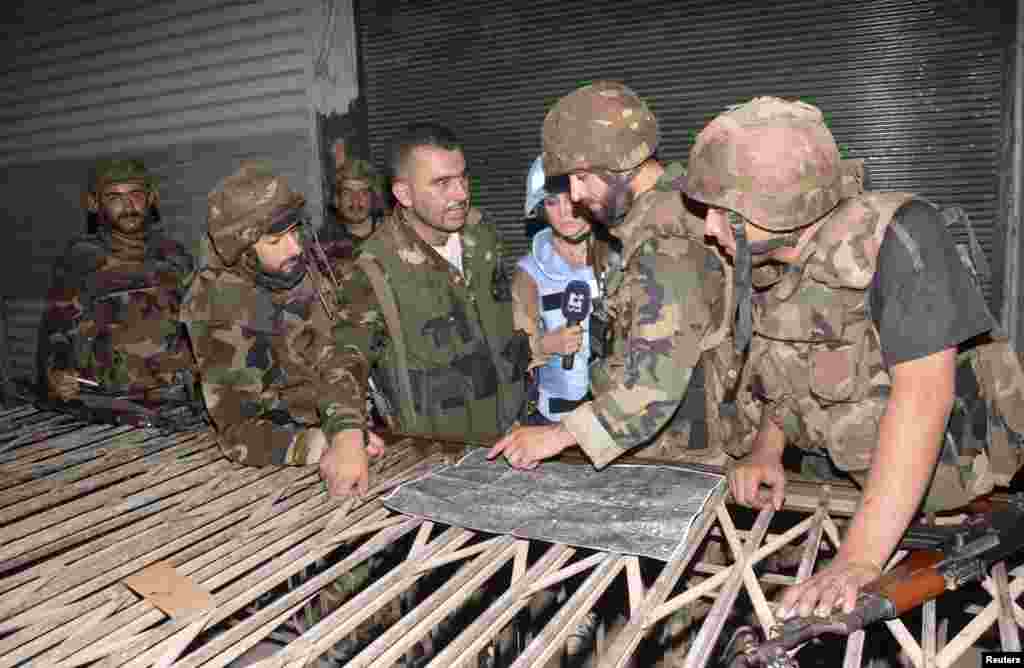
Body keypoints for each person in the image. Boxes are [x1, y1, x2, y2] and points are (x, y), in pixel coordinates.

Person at [680, 96, 1024, 620]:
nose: (708, 229)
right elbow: (784, 362)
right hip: (846, 486)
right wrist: (768, 449)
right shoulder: (767, 253)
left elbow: (923, 398)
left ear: (773, 211)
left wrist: (859, 560)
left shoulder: (904, 236)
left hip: (953, 496)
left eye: (722, 215)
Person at [489, 81, 755, 469]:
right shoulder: (666, 213)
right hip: (663, 450)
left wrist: (557, 436)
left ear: (619, 165)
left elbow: (651, 389)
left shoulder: (666, 246)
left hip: (680, 460)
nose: (575, 196)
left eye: (581, 177)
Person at [180, 161, 381, 496]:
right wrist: (321, 443)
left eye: (294, 233)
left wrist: (347, 426)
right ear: (242, 250)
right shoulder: (220, 303)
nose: (296, 248)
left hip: (348, 418)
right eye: (276, 240)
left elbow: (341, 348)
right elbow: (238, 435)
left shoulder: (301, 265)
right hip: (282, 465)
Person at [332, 122, 528, 441]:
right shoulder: (374, 267)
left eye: (463, 177)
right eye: (442, 183)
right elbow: (343, 359)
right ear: (404, 194)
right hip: (436, 452)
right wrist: (346, 436)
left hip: (514, 433)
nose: (461, 194)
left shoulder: (482, 233)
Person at [37, 159, 201, 428]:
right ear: (93, 204)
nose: (127, 206)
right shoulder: (81, 261)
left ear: (152, 199)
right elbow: (56, 332)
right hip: (112, 413)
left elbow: (200, 324)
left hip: (180, 408)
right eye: (114, 197)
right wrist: (57, 374)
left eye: (135, 194)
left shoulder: (175, 256)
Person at [514, 155, 618, 426]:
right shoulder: (529, 273)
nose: (565, 213)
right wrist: (545, 344)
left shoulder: (622, 256)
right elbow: (508, 355)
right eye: (551, 202)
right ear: (540, 208)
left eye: (571, 201)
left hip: (617, 418)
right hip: (554, 418)